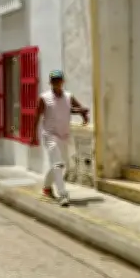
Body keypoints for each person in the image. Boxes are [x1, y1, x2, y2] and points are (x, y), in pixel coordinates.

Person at [31, 70, 89, 207]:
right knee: (57, 164)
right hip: (50, 134)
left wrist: (83, 114)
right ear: (50, 82)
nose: (56, 82)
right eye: (54, 80)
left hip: (64, 135)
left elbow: (73, 108)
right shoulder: (44, 98)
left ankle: (46, 188)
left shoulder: (68, 96)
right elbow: (36, 116)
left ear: (63, 81)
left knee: (61, 165)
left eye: (58, 80)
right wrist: (33, 136)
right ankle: (63, 195)